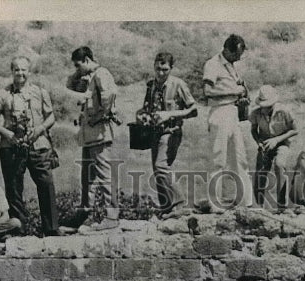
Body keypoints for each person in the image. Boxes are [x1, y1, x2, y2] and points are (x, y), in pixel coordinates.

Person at [0, 55, 59, 236]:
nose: (20, 73)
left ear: (29, 71)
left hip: (38, 146)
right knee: (14, 189)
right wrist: (8, 134)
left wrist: (40, 128)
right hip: (11, 148)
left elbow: (51, 117)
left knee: (46, 184)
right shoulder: (2, 94)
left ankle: (51, 230)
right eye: (16, 69)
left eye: (23, 70)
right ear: (12, 71)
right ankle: (20, 231)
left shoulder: (40, 92)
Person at [135, 52, 196, 217]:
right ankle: (167, 209)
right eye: (158, 69)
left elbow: (193, 110)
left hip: (171, 132)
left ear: (171, 68)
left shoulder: (179, 85)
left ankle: (181, 203)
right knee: (157, 170)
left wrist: (170, 114)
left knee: (162, 167)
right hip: (154, 132)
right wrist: (141, 115)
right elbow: (146, 108)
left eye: (165, 69)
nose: (161, 73)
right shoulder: (151, 85)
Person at [67, 46, 120, 229]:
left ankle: (112, 217)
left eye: (78, 65)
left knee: (105, 176)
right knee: (87, 178)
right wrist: (79, 75)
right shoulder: (88, 77)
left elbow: (109, 97)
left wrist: (99, 117)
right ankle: (84, 213)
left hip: (100, 134)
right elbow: (68, 86)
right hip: (89, 136)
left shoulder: (101, 74)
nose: (77, 69)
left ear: (88, 60)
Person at [202, 34, 253, 209]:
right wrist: (232, 93)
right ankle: (215, 203)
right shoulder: (213, 64)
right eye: (237, 54)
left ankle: (246, 202)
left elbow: (240, 89)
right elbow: (208, 91)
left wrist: (241, 97)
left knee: (240, 158)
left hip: (233, 113)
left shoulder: (232, 67)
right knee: (218, 159)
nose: (239, 58)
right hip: (219, 112)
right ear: (227, 50)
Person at [249, 85, 298, 212]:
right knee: (260, 170)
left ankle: (282, 206)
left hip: (282, 142)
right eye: (263, 106)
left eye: (268, 106)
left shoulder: (284, 112)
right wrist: (258, 142)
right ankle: (258, 206)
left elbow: (294, 130)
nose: (265, 109)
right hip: (265, 143)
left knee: (279, 165)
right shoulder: (255, 113)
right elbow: (254, 130)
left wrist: (276, 140)